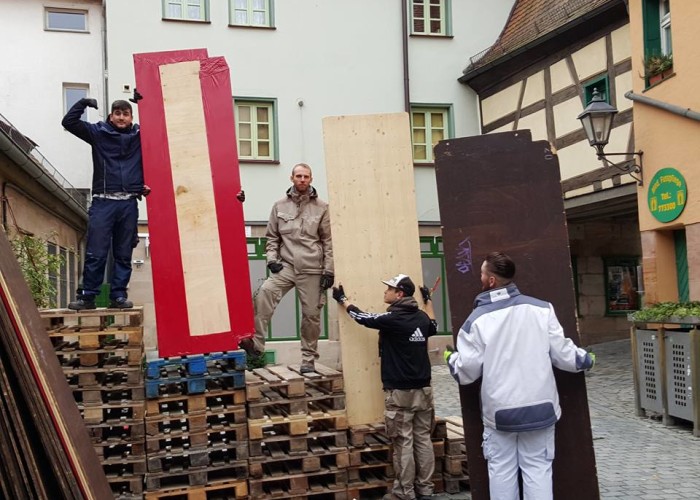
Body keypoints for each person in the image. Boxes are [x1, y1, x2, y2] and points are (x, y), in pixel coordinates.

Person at [445, 252, 595, 500]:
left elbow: (466, 373)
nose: (480, 277)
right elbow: (566, 356)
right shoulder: (542, 309)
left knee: (501, 472)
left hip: (500, 413)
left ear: (491, 281)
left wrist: (450, 359)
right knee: (538, 470)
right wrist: (587, 359)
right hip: (541, 408)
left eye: (482, 273)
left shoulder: (476, 321)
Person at [332, 274, 437, 500]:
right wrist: (428, 300)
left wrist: (343, 300)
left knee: (404, 443)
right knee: (423, 439)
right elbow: (434, 325)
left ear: (399, 294)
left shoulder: (392, 318)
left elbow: (362, 317)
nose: (385, 292)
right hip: (424, 390)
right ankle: (426, 490)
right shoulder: (421, 318)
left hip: (400, 393)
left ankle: (404, 493)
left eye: (389, 289)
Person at [240, 163, 333, 373]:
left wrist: (329, 270)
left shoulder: (322, 207)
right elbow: (271, 237)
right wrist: (271, 258)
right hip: (287, 265)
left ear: (311, 179)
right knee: (265, 292)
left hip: (312, 268)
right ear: (291, 178)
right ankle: (256, 344)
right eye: (298, 176)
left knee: (311, 315)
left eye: (306, 176)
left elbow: (328, 241)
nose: (302, 179)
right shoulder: (279, 206)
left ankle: (308, 359)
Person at [62, 97, 148, 310]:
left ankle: (118, 296)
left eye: (125, 113)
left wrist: (146, 101)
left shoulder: (140, 137)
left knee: (123, 252)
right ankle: (87, 297)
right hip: (103, 202)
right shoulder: (98, 133)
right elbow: (69, 123)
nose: (121, 117)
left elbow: (163, 135)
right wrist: (81, 103)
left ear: (131, 117)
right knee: (96, 252)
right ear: (111, 116)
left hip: (128, 203)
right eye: (117, 113)